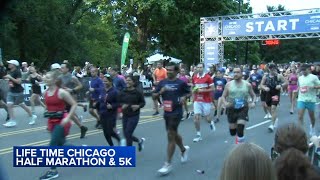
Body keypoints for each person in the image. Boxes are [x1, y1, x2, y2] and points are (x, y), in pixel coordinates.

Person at [153, 62, 190, 175]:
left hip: (177, 112)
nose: (168, 72)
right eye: (167, 70)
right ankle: (183, 149)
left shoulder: (181, 83)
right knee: (173, 134)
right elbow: (153, 96)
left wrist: (184, 97)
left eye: (171, 70)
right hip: (167, 112)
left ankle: (167, 164)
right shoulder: (162, 83)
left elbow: (189, 93)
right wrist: (160, 92)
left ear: (176, 71)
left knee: (170, 135)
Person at [39, 70, 77, 180]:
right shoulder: (45, 92)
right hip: (51, 121)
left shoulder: (61, 92)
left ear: (55, 80)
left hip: (62, 122)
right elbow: (49, 107)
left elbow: (74, 104)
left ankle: (53, 171)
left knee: (52, 145)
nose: (45, 79)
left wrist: (68, 118)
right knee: (62, 143)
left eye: (48, 77)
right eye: (45, 77)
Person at [221, 67, 256, 144]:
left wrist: (253, 102)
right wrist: (225, 104)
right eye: (234, 72)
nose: (236, 74)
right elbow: (223, 96)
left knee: (240, 127)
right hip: (231, 108)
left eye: (238, 72)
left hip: (243, 108)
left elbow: (253, 95)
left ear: (241, 73)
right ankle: (238, 134)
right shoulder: (228, 84)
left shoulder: (247, 84)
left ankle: (240, 144)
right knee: (233, 132)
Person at [3, 60, 37, 127]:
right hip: (11, 91)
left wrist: (10, 78)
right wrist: (8, 80)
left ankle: (32, 116)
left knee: (22, 105)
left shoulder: (18, 72)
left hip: (18, 92)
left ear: (14, 65)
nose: (9, 64)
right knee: (9, 105)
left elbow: (19, 82)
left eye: (10, 63)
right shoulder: (11, 71)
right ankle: (12, 121)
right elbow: (12, 81)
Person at [59, 63, 88, 138]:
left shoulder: (72, 77)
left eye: (63, 68)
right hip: (62, 97)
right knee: (69, 115)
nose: (61, 69)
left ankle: (62, 131)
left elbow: (80, 85)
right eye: (61, 68)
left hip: (69, 97)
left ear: (67, 69)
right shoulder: (60, 77)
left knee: (68, 114)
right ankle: (82, 127)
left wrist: (72, 90)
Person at [118, 75, 145, 150]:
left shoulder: (137, 92)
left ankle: (128, 153)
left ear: (133, 82)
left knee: (128, 133)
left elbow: (143, 103)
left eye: (129, 80)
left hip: (134, 115)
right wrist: (122, 106)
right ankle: (139, 141)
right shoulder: (123, 92)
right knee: (126, 134)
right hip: (125, 115)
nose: (127, 82)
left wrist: (138, 106)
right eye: (126, 80)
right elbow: (118, 102)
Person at [260, 63, 287, 132]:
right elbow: (261, 85)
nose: (273, 71)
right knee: (268, 106)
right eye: (271, 69)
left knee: (273, 108)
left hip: (275, 93)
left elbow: (286, 82)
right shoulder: (266, 76)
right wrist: (264, 88)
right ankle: (275, 118)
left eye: (274, 69)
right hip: (268, 93)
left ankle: (272, 125)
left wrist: (280, 85)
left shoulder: (279, 76)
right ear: (269, 69)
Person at [192, 63, 215, 142]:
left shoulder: (208, 77)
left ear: (203, 68)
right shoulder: (195, 77)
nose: (199, 69)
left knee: (207, 118)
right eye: (198, 67)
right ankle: (198, 134)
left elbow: (212, 89)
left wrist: (203, 90)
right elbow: (194, 87)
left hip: (206, 100)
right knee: (196, 118)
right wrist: (193, 94)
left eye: (201, 67)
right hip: (197, 100)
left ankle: (211, 122)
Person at [97, 74, 121, 146]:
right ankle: (111, 147)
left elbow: (120, 103)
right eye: (103, 81)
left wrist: (112, 106)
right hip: (102, 114)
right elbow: (101, 100)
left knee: (110, 131)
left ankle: (119, 140)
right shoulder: (102, 90)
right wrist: (96, 105)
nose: (104, 83)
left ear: (110, 82)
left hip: (111, 114)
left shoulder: (115, 92)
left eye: (106, 81)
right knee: (105, 133)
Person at [297, 64, 320, 136]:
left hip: (311, 100)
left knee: (312, 117)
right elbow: (300, 87)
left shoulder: (314, 77)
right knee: (300, 116)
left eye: (304, 70)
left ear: (309, 69)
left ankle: (312, 128)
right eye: (302, 70)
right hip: (301, 99)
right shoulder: (300, 78)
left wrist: (313, 87)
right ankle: (302, 132)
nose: (303, 71)